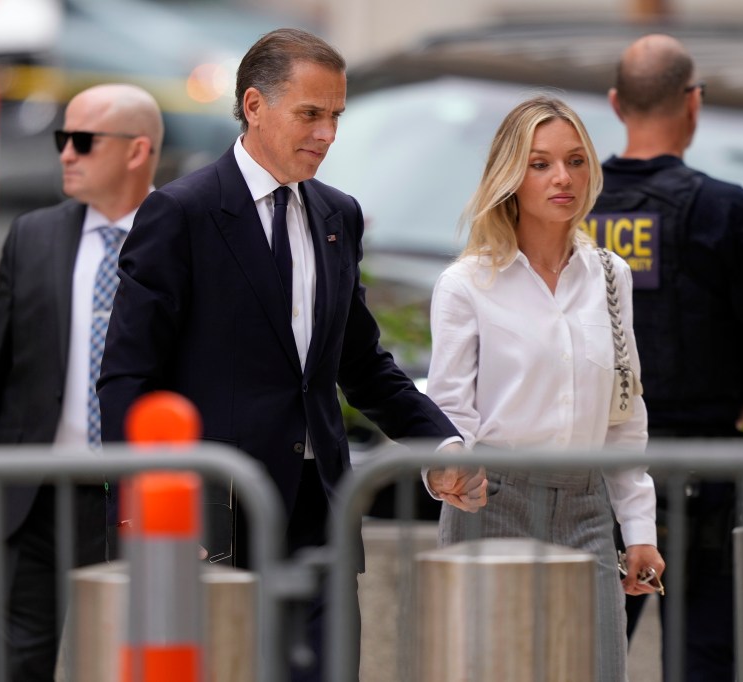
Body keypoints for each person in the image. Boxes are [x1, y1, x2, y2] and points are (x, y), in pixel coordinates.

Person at [96, 28, 484, 682]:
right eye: (310, 114)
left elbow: (361, 364)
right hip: (210, 518)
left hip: (319, 514)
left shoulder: (338, 215)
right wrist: (148, 518)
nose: (328, 133)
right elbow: (127, 378)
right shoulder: (180, 213)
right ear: (254, 105)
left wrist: (440, 448)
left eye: (336, 116)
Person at [424, 95, 665, 681]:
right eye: (541, 163)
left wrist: (638, 531)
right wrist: (449, 470)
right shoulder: (466, 284)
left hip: (585, 507)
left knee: (597, 669)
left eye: (576, 160)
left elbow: (624, 416)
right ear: (510, 176)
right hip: (492, 502)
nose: (564, 177)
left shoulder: (612, 275)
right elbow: (449, 411)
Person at [0, 83, 164, 680]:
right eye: (64, 138)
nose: (65, 153)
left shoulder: (187, 238)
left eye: (82, 141)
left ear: (137, 151)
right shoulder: (33, 235)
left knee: (127, 664)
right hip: (30, 498)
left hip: (137, 504)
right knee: (13, 664)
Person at [589, 34, 743, 681]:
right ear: (695, 103)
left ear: (616, 102)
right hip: (706, 476)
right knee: (706, 661)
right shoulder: (725, 209)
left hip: (596, 477)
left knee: (585, 656)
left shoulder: (573, 206)